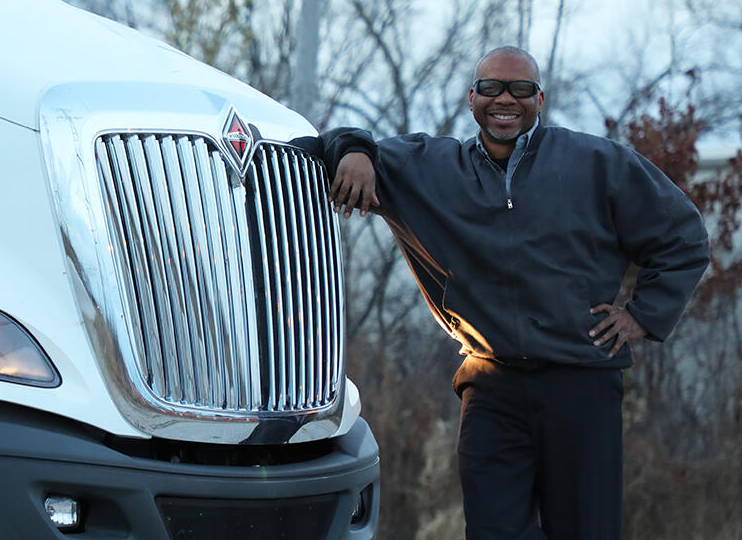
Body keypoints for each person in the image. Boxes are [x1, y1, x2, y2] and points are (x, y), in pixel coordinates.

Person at [292, 46, 710, 540]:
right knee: (493, 529)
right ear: (472, 99)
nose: (504, 99)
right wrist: (356, 153)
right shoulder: (436, 169)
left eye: (521, 89)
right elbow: (325, 143)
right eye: (491, 88)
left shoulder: (597, 163)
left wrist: (642, 315)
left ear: (540, 99)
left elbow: (683, 235)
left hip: (581, 385)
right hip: (491, 388)